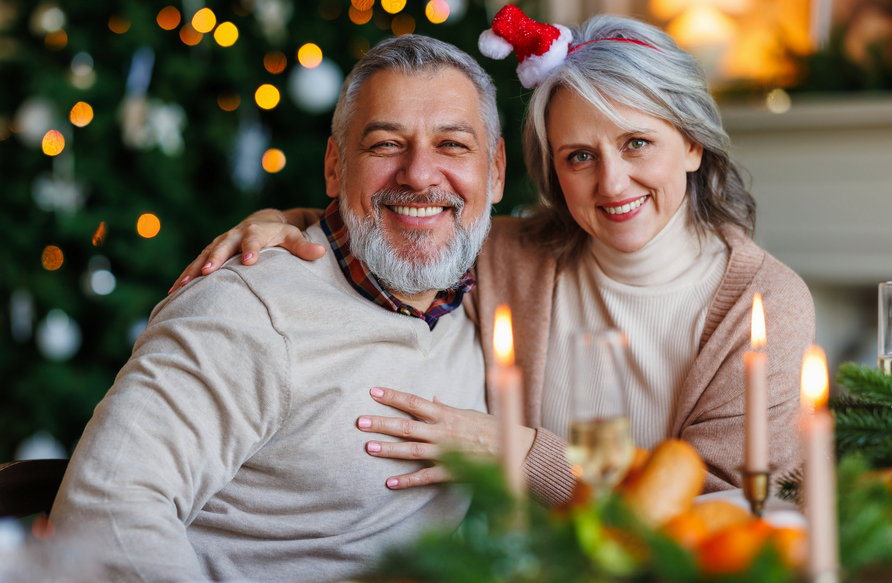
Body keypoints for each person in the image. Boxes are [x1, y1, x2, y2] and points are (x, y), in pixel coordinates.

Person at [174, 9, 815, 499]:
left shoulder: (764, 305)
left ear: (694, 145)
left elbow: (730, 503)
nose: (612, 183)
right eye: (580, 157)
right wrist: (284, 221)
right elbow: (399, 216)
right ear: (550, 171)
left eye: (638, 144)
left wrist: (521, 452)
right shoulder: (507, 257)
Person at [51, 35, 514, 583]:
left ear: (494, 170)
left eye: (452, 144)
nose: (420, 175)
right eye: (386, 144)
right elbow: (102, 509)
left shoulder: (494, 284)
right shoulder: (249, 311)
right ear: (334, 166)